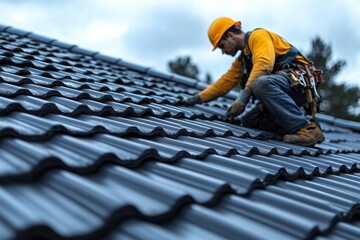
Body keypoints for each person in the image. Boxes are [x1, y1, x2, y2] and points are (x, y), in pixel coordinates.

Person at [183, 17, 325, 147]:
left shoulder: (258, 36)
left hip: (297, 85)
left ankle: (306, 130)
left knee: (260, 83)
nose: (222, 51)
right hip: (283, 89)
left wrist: (242, 99)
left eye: (221, 45)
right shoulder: (242, 60)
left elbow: (264, 65)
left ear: (230, 35)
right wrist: (195, 99)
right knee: (249, 121)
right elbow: (223, 83)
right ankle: (288, 128)